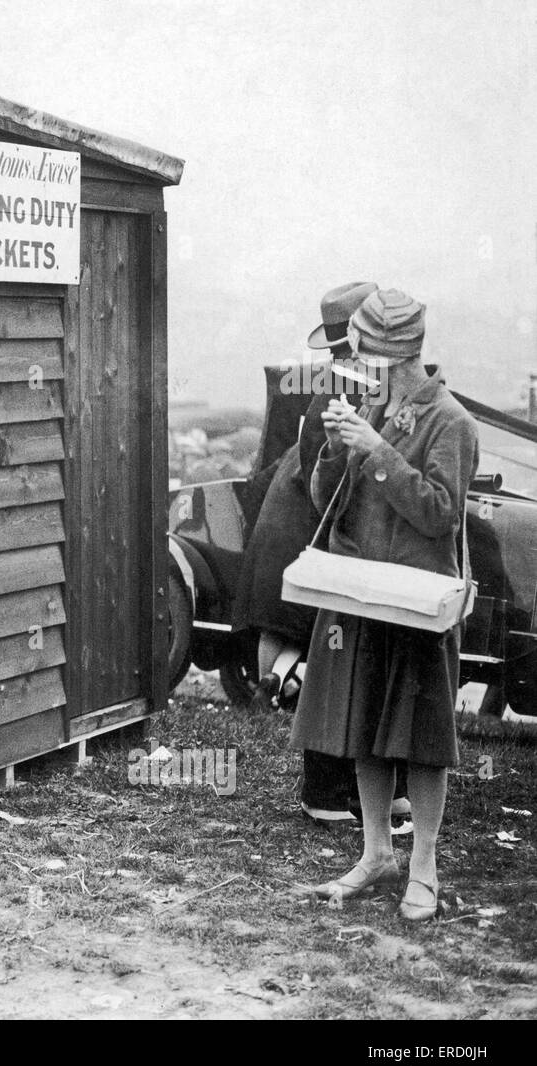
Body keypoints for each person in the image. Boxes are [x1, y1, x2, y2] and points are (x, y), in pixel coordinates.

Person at [293, 289, 478, 922]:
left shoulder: (450, 422)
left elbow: (439, 513)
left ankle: (422, 864)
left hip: (419, 602)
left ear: (391, 355)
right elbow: (325, 503)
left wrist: (377, 449)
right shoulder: (373, 406)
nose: (353, 362)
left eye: (361, 351)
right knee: (365, 726)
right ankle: (377, 855)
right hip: (362, 594)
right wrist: (336, 450)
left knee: (422, 738)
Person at [232, 282, 412, 826]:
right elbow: (328, 492)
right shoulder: (341, 392)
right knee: (328, 672)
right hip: (311, 550)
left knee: (339, 670)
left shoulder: (344, 385)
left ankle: (350, 791)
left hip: (305, 547)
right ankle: (329, 791)